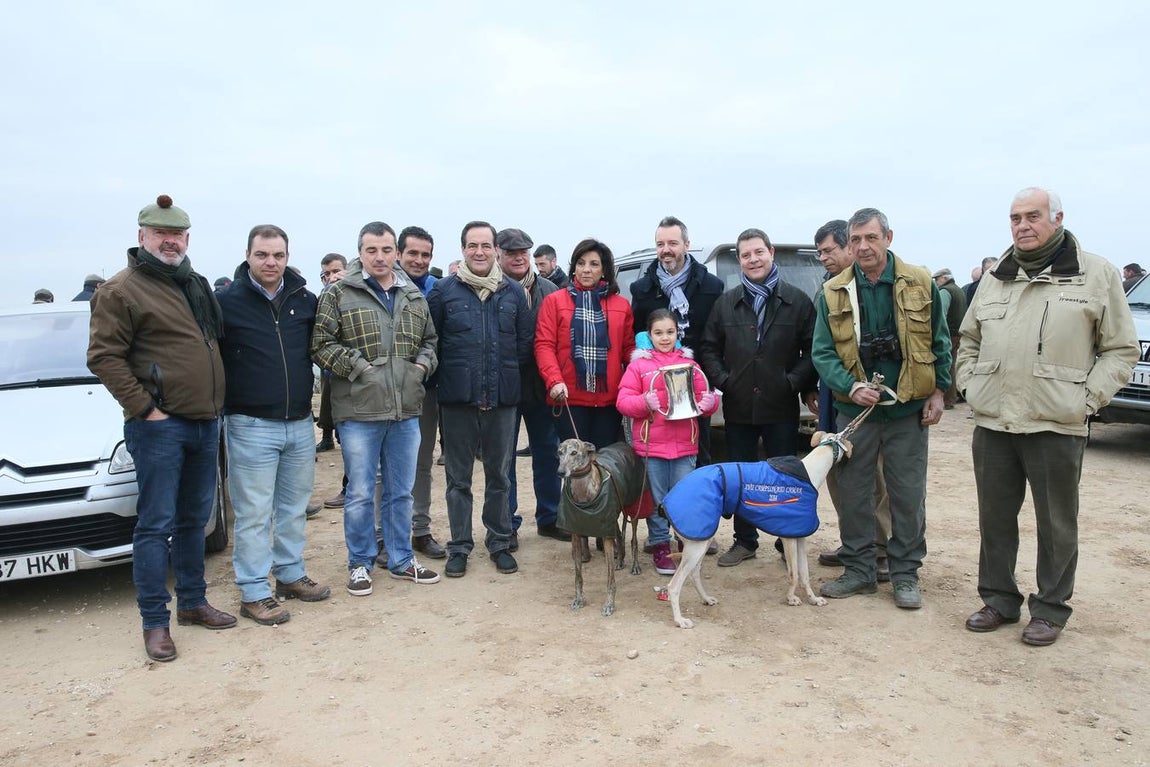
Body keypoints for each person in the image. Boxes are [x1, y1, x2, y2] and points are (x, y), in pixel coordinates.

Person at [957, 187, 1138, 646]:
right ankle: (998, 599)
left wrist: (1085, 400)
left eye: (1032, 216)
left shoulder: (1096, 274)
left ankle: (1051, 609)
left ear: (1056, 219)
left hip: (1056, 424)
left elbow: (1120, 349)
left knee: (1057, 522)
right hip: (994, 421)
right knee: (994, 517)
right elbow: (969, 339)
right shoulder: (997, 276)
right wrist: (969, 386)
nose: (1023, 225)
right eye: (1015, 217)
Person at [87, 194, 235, 662]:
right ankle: (155, 621)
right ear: (142, 237)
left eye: (177, 235)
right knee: (156, 524)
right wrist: (145, 409)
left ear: (187, 239)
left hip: (204, 421)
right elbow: (104, 358)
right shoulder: (120, 290)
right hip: (160, 427)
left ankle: (192, 602)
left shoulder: (194, 284)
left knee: (195, 519)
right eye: (161, 234)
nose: (170, 242)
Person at [811, 207, 951, 610]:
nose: (863, 246)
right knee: (854, 492)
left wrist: (940, 391)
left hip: (908, 409)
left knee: (907, 494)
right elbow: (823, 352)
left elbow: (941, 341)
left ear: (888, 237)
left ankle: (905, 573)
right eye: (855, 240)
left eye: (871, 238)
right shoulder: (834, 290)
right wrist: (849, 386)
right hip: (856, 412)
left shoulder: (921, 282)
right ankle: (859, 570)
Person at [312, 221, 441, 597]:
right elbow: (321, 343)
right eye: (372, 250)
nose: (380, 257)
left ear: (396, 253)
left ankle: (401, 558)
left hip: (405, 409)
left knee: (401, 491)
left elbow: (430, 341)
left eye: (386, 250)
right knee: (361, 492)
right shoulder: (338, 293)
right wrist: (360, 368)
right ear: (361, 252)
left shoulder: (412, 294)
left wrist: (420, 368)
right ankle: (360, 563)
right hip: (359, 412)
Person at [217, 225, 330, 625]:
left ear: (287, 256)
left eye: (278, 255)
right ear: (248, 255)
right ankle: (253, 591)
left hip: (299, 423)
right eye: (263, 255)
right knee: (252, 513)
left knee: (293, 507)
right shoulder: (226, 302)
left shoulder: (304, 299)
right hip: (250, 424)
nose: (271, 262)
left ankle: (290, 574)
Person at [699, 227, 818, 568]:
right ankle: (745, 540)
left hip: (780, 406)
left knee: (786, 476)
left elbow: (811, 350)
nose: (753, 259)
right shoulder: (726, 302)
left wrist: (792, 382)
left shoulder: (797, 301)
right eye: (746, 255)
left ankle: (786, 541)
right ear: (739, 260)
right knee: (743, 476)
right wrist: (725, 380)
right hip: (738, 406)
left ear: (771, 253)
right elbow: (709, 348)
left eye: (758, 252)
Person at [427, 221, 533, 579]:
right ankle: (459, 547)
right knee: (458, 479)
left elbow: (522, 345)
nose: (480, 252)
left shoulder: (514, 293)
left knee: (499, 476)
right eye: (473, 245)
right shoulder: (443, 293)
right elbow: (434, 342)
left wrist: (500, 377)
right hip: (457, 401)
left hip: (502, 400)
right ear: (462, 249)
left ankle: (500, 542)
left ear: (496, 250)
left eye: (486, 245)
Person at [811, 220, 892, 581]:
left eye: (829, 250)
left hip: (868, 400)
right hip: (834, 395)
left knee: (872, 476)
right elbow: (818, 349)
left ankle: (881, 548)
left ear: (848, 248)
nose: (824, 257)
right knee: (839, 472)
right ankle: (854, 543)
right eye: (820, 252)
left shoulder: (872, 289)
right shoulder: (828, 291)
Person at [617, 309, 719, 574]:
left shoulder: (692, 366)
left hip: (685, 445)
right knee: (657, 499)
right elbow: (623, 401)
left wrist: (710, 403)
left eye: (670, 332)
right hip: (652, 445)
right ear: (649, 335)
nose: (665, 338)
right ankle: (660, 544)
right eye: (658, 333)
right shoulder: (638, 366)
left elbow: (703, 397)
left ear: (678, 333)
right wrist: (643, 402)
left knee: (684, 497)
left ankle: (685, 542)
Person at [629, 215, 724, 470]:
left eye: (672, 243)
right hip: (657, 388)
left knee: (699, 453)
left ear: (686, 244)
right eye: (660, 244)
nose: (666, 250)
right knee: (657, 457)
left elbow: (718, 337)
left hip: (697, 384)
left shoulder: (712, 287)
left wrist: (712, 379)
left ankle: (697, 509)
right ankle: (660, 509)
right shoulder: (642, 289)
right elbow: (638, 335)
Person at [496, 227, 568, 546]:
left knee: (548, 452)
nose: (519, 257)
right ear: (499, 254)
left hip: (541, 386)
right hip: (504, 385)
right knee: (504, 459)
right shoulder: (491, 288)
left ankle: (550, 517)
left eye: (523, 252)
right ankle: (507, 522)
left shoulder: (550, 289)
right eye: (511, 252)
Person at [536, 238, 635, 449]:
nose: (586, 270)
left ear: (605, 270)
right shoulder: (554, 301)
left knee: (602, 464)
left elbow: (628, 349)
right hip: (568, 398)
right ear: (573, 268)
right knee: (575, 468)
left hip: (608, 400)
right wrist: (554, 381)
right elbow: (544, 345)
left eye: (594, 264)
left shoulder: (622, 305)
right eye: (581, 263)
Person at [397, 225, 446, 559]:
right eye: (412, 253)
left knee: (421, 463)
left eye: (425, 254)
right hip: (383, 390)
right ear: (399, 253)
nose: (418, 260)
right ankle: (385, 536)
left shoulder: (437, 290)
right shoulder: (382, 286)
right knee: (386, 468)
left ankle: (420, 530)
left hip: (426, 389)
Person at [315, 253, 348, 455]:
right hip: (327, 361)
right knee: (326, 399)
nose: (331, 276)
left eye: (336, 271)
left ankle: (338, 437)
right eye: (326, 273)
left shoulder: (355, 292)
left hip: (347, 361)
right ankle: (327, 436)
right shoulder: (322, 296)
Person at [932, 268, 967, 409]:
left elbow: (941, 315)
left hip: (949, 334)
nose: (935, 282)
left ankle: (948, 399)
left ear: (944, 278)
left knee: (947, 366)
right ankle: (954, 396)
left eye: (937, 279)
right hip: (958, 333)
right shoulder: (958, 290)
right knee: (954, 364)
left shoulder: (945, 292)